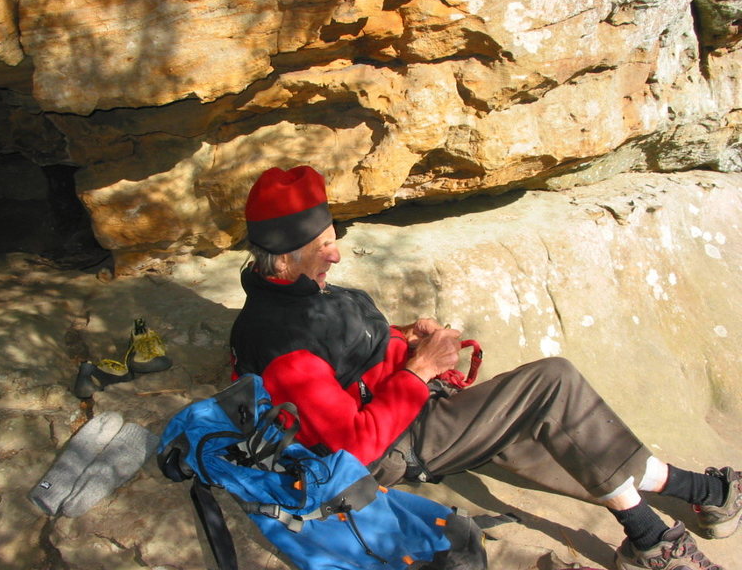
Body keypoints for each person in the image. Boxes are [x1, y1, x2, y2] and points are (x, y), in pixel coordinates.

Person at [229, 165, 741, 570]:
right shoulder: (282, 343)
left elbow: (350, 354)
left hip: (407, 406)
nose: (336, 255)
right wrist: (418, 371)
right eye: (322, 247)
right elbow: (354, 449)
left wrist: (405, 338)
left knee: (560, 431)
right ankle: (652, 539)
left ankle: (701, 492)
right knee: (551, 383)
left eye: (332, 238)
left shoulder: (301, 291)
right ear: (283, 259)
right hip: (392, 444)